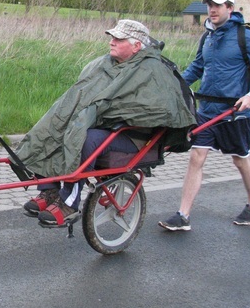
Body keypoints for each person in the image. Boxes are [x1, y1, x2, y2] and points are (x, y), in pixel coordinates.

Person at [14, 20, 197, 227]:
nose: (111, 42)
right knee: (56, 124)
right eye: (112, 37)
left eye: (118, 39)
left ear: (136, 46)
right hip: (102, 126)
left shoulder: (152, 70)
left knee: (83, 137)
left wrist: (103, 113)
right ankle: (49, 189)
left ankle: (69, 203)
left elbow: (156, 109)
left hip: (133, 136)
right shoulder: (105, 62)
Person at [159, 0, 250, 231]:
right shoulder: (208, 37)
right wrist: (175, 85)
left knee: (240, 160)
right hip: (208, 110)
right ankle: (183, 215)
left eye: (218, 5)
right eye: (209, 4)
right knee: (196, 157)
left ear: (230, 8)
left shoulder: (245, 37)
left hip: (235, 113)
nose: (212, 9)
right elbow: (197, 67)